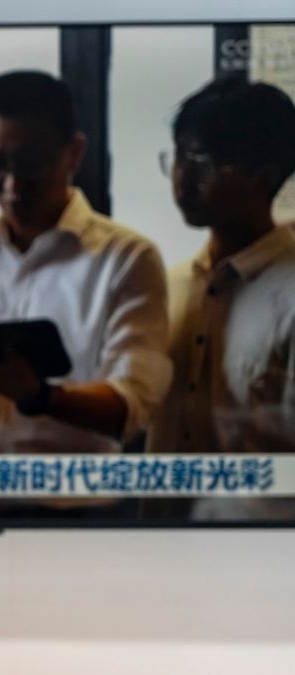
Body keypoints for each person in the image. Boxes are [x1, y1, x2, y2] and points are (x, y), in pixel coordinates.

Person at [0, 70, 172, 460]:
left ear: (73, 152)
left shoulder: (126, 260)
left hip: (66, 494)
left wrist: (38, 396)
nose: (12, 186)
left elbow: (132, 406)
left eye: (31, 164)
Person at [146, 79, 295, 520]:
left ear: (263, 173)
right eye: (178, 158)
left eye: (203, 163)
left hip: (260, 546)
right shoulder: (166, 286)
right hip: (153, 542)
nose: (183, 178)